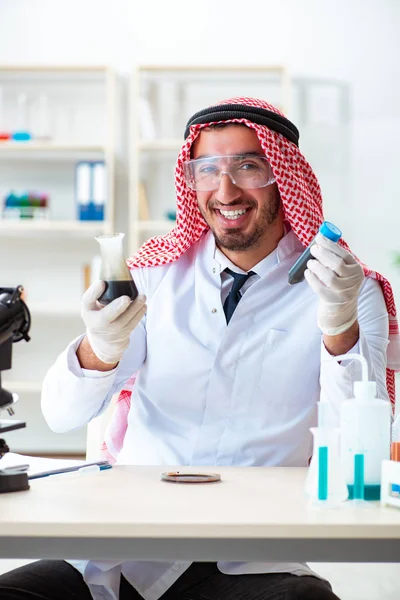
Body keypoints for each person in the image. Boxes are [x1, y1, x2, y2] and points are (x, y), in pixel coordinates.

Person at [1, 97, 399, 600]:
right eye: (207, 169)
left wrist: (340, 329)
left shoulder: (346, 287)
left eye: (248, 166)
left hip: (249, 558)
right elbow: (59, 416)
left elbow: (362, 449)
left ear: (284, 174)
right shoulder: (153, 274)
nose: (225, 189)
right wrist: (99, 349)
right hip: (122, 546)